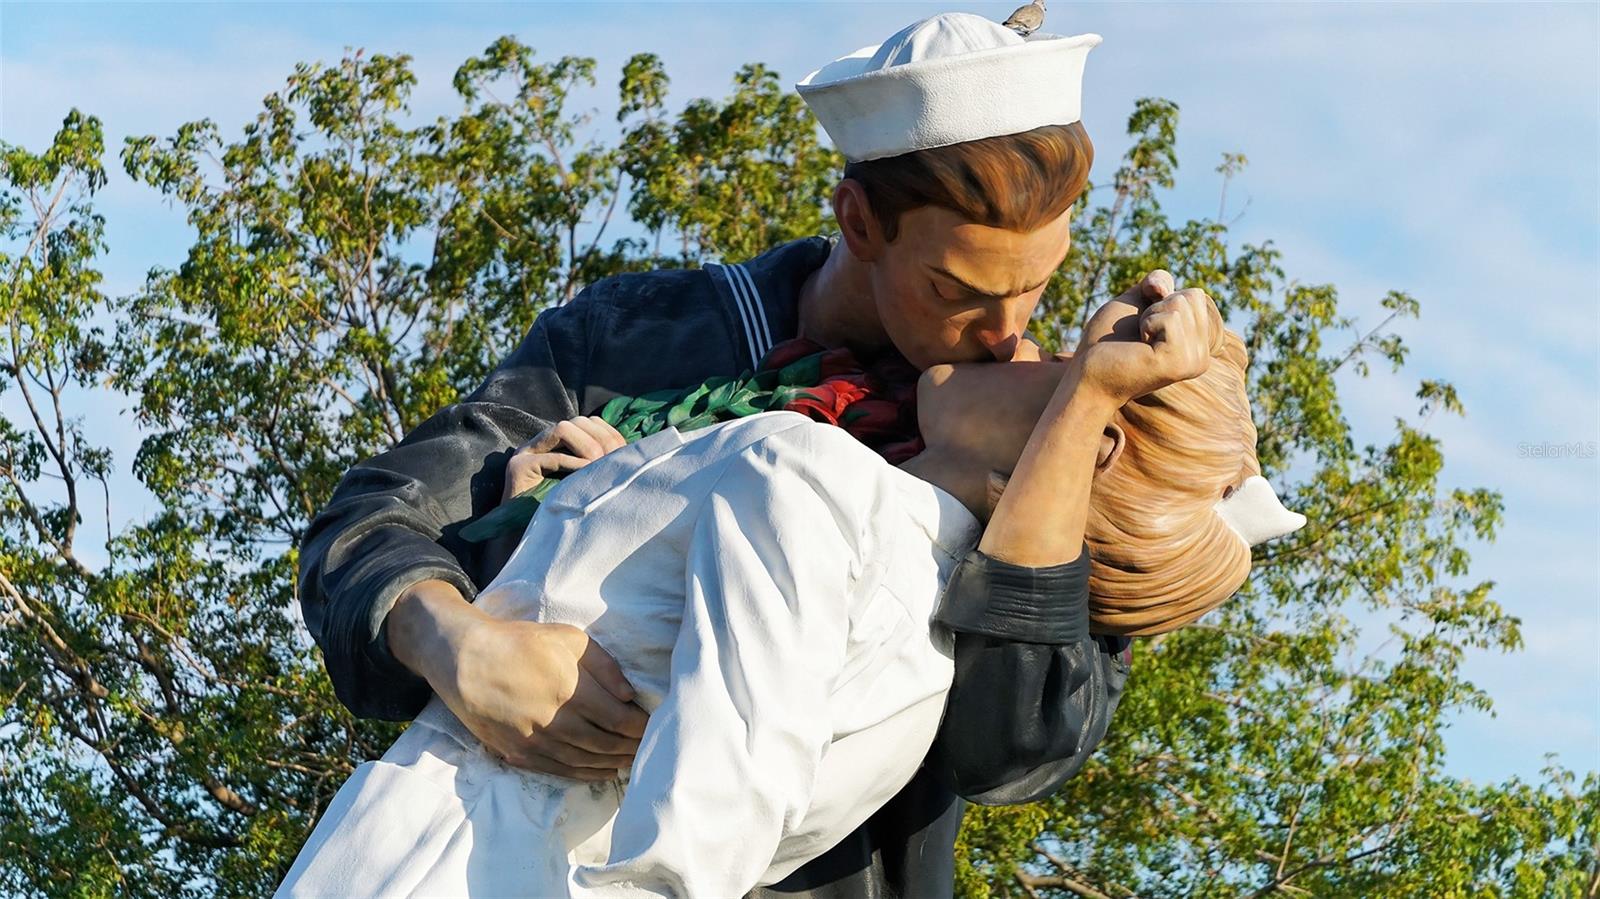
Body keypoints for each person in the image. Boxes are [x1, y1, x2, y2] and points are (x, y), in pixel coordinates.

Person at [295, 13, 1166, 896]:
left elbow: (1013, 746)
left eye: (1038, 281)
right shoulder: (625, 341)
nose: (1006, 330)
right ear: (858, 221)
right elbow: (370, 525)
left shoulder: (1031, 434)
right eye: (955, 287)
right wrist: (457, 639)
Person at [276, 278, 1306, 898]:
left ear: (1086, 443)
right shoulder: (921, 639)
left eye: (1061, 359)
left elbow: (704, 830)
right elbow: (380, 524)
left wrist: (1089, 390)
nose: (1015, 339)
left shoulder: (806, 473)